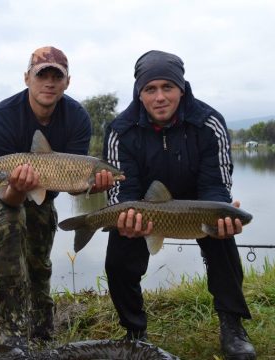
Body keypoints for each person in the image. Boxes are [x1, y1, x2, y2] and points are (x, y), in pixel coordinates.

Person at [103, 50, 256, 359]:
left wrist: (219, 211)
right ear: (139, 93)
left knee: (223, 239)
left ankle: (232, 326)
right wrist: (127, 216)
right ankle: (135, 331)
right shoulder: (121, 131)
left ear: (181, 89)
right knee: (118, 256)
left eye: (167, 87)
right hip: (144, 205)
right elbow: (122, 192)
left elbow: (216, 185)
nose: (160, 97)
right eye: (150, 89)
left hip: (198, 202)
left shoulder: (209, 122)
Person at [0, 46, 114, 347]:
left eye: (57, 76)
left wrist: (93, 185)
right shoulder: (3, 116)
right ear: (27, 78)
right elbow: (9, 198)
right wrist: (17, 188)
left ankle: (41, 320)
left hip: (44, 189)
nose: (49, 82)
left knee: (39, 252)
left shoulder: (77, 117)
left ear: (67, 82)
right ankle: (12, 323)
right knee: (11, 227)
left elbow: (73, 182)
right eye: (42, 75)